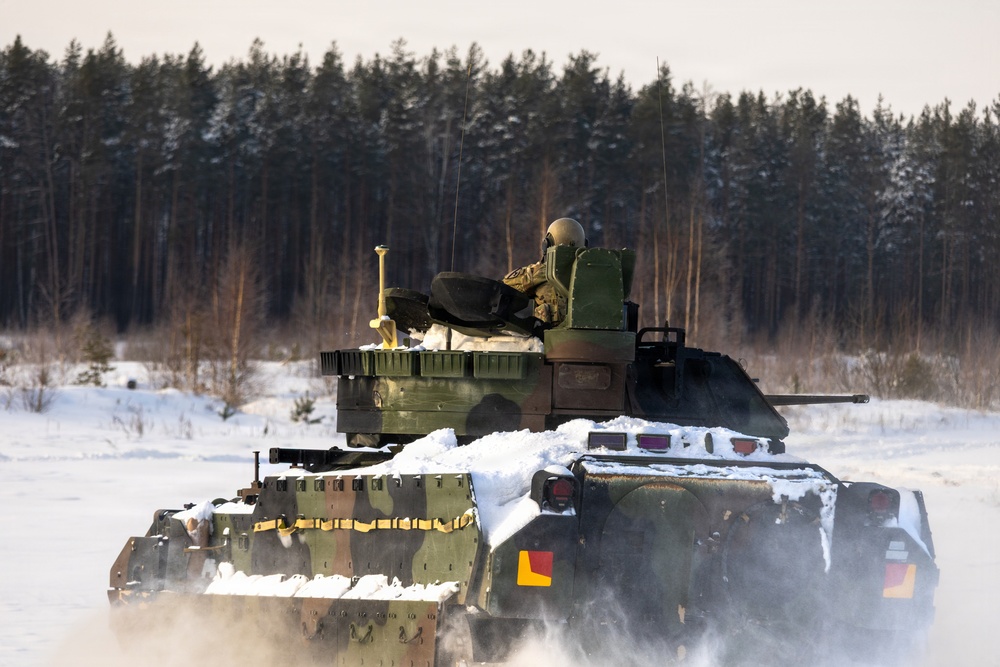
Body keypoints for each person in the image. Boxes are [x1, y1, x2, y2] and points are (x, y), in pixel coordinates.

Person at [502, 218, 586, 326]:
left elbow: (505, 285)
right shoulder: (596, 274)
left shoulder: (541, 273)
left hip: (549, 339)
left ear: (547, 243)